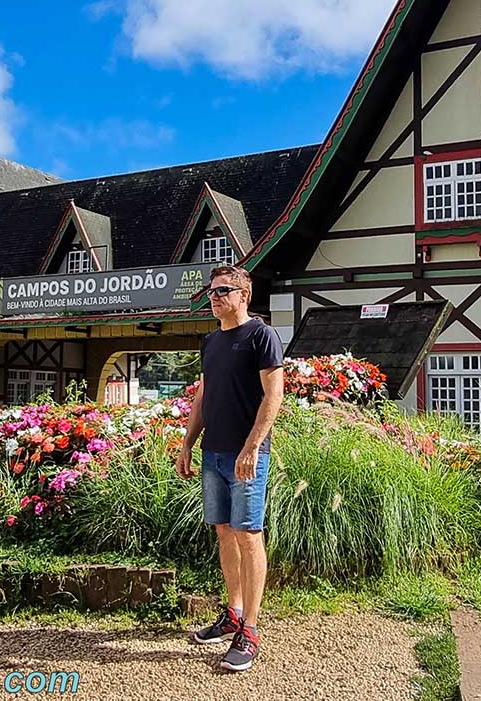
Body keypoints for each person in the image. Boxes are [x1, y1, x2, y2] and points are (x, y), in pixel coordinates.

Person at [175, 264, 284, 672]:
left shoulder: (262, 335)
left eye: (223, 290)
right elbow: (203, 395)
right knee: (224, 532)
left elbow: (274, 396)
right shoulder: (211, 342)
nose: (214, 296)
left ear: (244, 295)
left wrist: (253, 446)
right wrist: (187, 443)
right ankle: (233, 613)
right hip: (213, 453)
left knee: (248, 535)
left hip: (246, 455)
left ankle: (250, 631)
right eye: (211, 291)